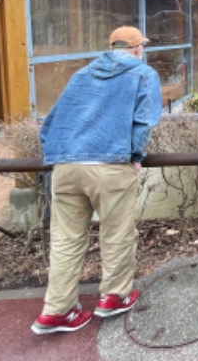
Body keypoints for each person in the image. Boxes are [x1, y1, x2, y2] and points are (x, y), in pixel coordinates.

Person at [31, 26, 162, 335]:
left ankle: (56, 310)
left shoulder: (81, 75)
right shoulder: (143, 75)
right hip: (109, 163)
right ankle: (114, 296)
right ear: (137, 49)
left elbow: (49, 125)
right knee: (116, 233)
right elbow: (143, 121)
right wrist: (135, 154)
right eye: (141, 46)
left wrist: (61, 152)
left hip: (65, 165)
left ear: (110, 46)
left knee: (65, 239)